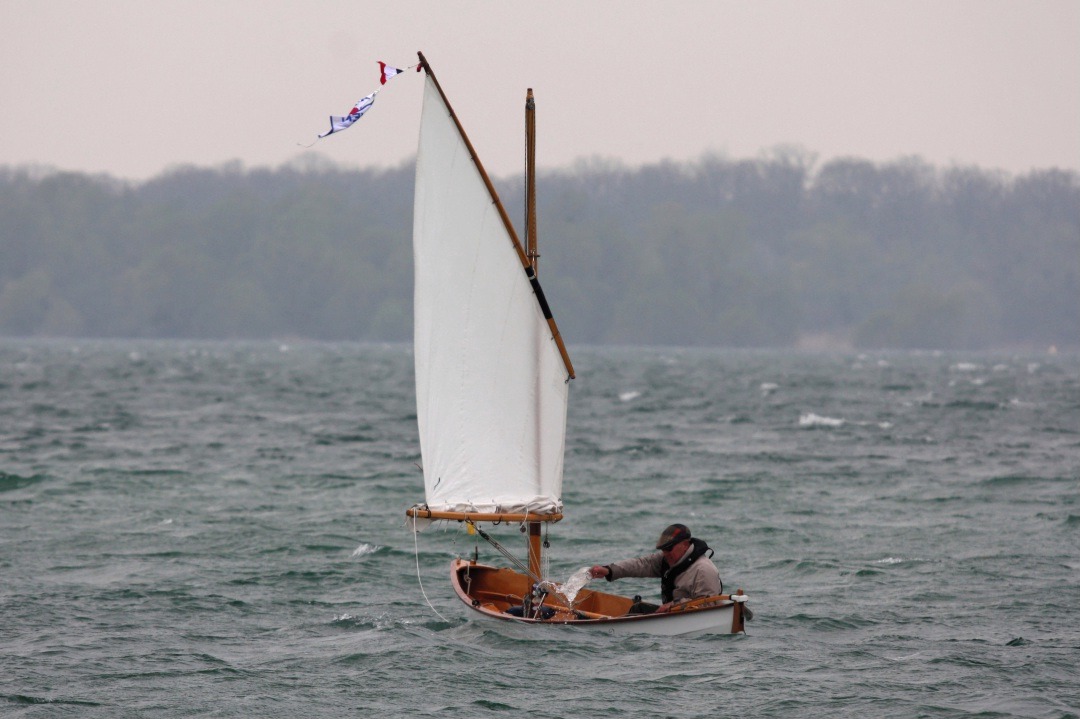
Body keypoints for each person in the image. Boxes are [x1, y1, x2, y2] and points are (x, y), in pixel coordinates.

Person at [589, 523, 722, 614]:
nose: (665, 553)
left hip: (688, 620)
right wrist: (609, 570)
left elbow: (709, 605)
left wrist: (673, 605)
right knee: (638, 608)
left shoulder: (704, 570)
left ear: (685, 545)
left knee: (638, 611)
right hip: (673, 618)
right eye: (663, 550)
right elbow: (641, 564)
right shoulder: (667, 559)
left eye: (669, 549)